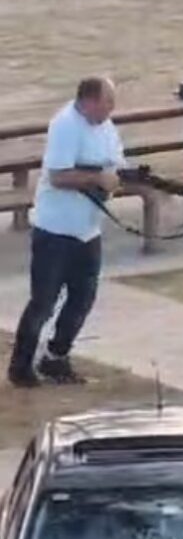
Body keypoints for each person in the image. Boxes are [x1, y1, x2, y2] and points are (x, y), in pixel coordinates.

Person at [7, 77, 124, 387]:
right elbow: (58, 176)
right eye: (107, 102)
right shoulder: (65, 125)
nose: (111, 109)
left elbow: (115, 166)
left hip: (88, 229)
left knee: (83, 298)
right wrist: (96, 179)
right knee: (43, 302)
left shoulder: (107, 127)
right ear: (89, 101)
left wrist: (116, 180)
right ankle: (20, 366)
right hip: (55, 229)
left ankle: (56, 357)